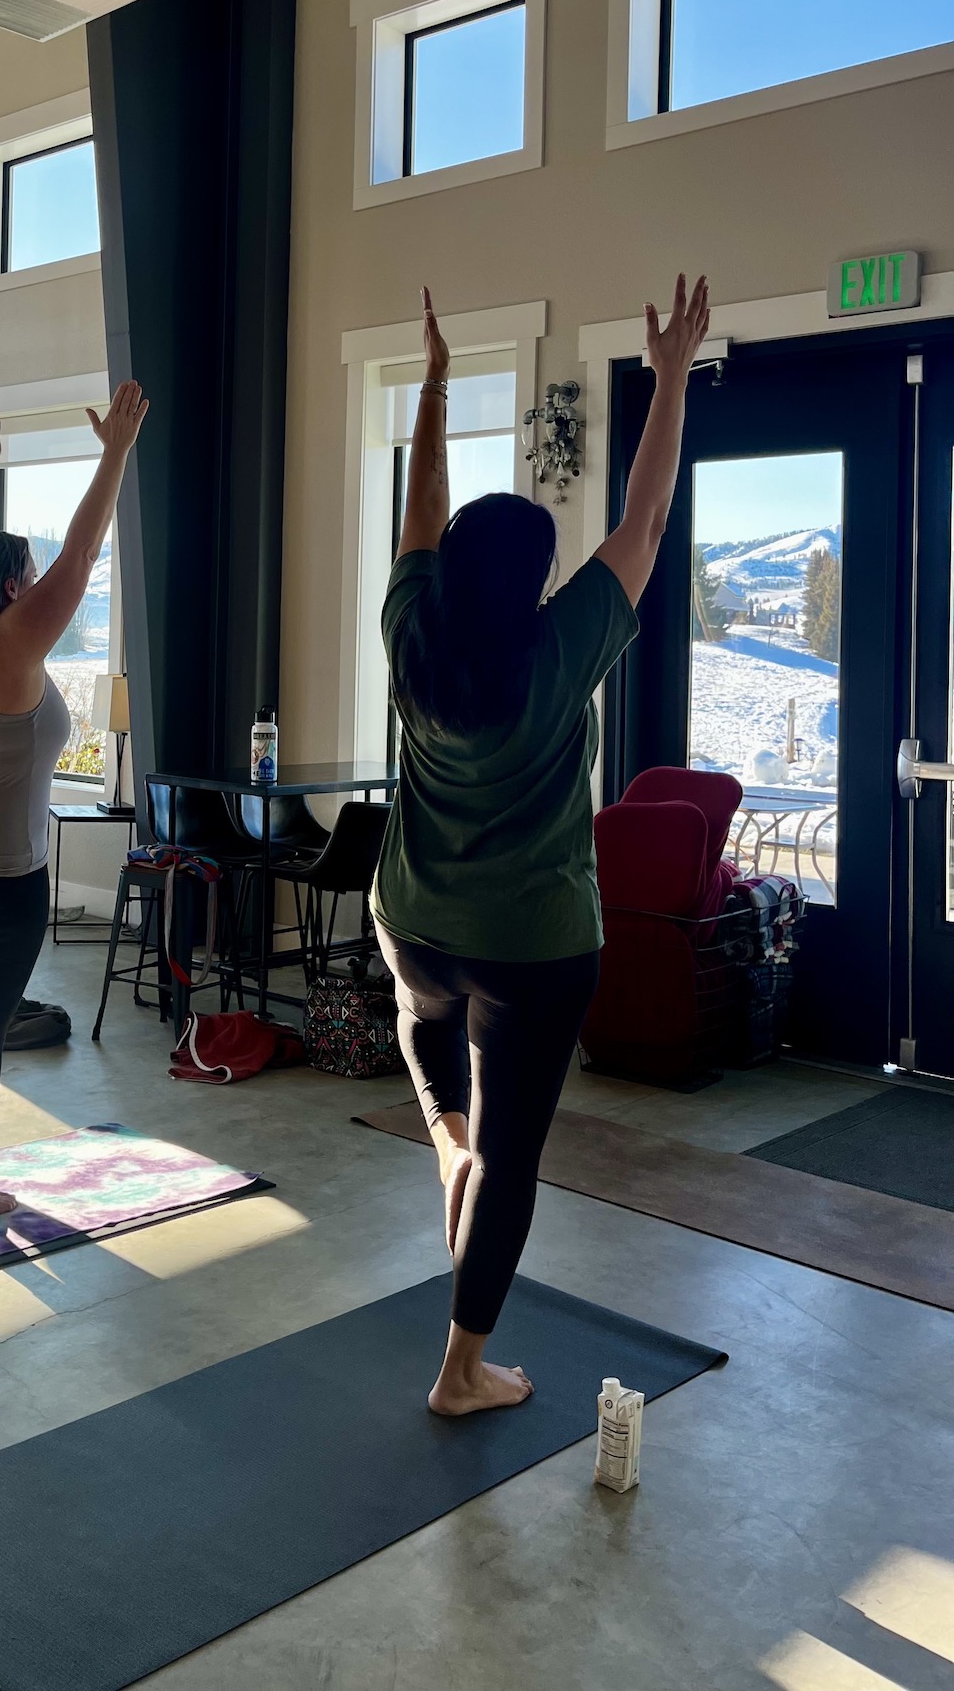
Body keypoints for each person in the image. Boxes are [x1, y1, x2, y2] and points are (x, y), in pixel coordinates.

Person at [375, 274, 709, 1417]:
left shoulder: (411, 631)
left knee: (429, 1031)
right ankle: (461, 1370)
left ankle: (445, 1138)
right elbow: (645, 523)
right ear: (534, 584)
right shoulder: (558, 648)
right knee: (512, 1160)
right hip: (532, 949)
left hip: (416, 927)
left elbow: (420, 507)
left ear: (451, 569)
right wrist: (669, 379)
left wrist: (432, 383)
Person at [0, 381, 148, 1223]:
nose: (41, 584)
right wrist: (115, 454)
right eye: (28, 577)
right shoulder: (9, 644)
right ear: (15, 589)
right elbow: (80, 559)